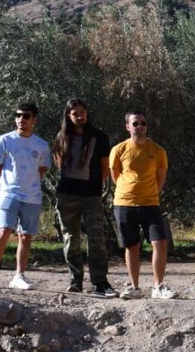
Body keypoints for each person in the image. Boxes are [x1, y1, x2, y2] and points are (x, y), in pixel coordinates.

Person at [0, 103, 51, 291]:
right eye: (18, 115)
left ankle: (19, 276)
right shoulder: (4, 140)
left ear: (34, 120)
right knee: (4, 230)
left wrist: (29, 182)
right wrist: (10, 183)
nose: (21, 119)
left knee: (25, 236)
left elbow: (42, 169)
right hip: (9, 193)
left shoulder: (42, 145)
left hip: (32, 197)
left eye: (26, 116)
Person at [52, 97, 116, 297]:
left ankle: (100, 282)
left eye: (82, 112)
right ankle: (75, 280)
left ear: (87, 113)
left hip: (91, 195)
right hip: (67, 194)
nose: (80, 116)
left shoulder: (100, 137)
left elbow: (105, 169)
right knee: (71, 238)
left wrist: (93, 184)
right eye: (75, 113)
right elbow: (59, 163)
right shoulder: (62, 137)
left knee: (96, 238)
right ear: (68, 115)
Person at [109, 110, 175, 300]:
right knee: (132, 246)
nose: (140, 127)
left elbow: (161, 178)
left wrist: (149, 193)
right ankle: (134, 287)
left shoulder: (158, 151)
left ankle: (158, 287)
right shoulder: (118, 149)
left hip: (150, 204)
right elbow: (115, 176)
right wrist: (129, 191)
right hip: (124, 204)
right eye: (135, 123)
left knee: (160, 242)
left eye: (143, 123)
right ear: (127, 126)